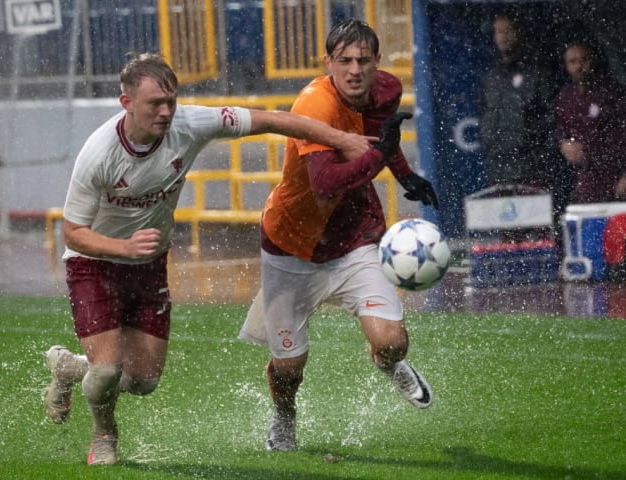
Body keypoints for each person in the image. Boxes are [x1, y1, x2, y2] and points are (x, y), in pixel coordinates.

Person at [43, 52, 378, 466]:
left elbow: (274, 120)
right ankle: (105, 435)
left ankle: (69, 369)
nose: (166, 112)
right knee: (108, 371)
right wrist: (124, 247)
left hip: (148, 265)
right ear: (126, 103)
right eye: (154, 104)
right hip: (93, 263)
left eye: (172, 101)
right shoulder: (99, 154)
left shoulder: (190, 123)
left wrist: (340, 139)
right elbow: (73, 234)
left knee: (143, 382)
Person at [237, 19, 439, 452]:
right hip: (291, 246)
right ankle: (285, 416)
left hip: (354, 240)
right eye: (344, 60)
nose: (354, 70)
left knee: (392, 341)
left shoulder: (386, 90)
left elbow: (378, 139)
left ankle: (389, 364)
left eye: (363, 60)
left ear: (377, 63)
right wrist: (384, 155)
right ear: (328, 63)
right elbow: (327, 182)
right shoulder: (314, 104)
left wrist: (405, 176)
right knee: (290, 367)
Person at [478, 13, 573, 233]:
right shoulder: (491, 78)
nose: (502, 36)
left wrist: (535, 152)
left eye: (507, 30)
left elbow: (552, 119)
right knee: (508, 236)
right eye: (498, 31)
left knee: (539, 235)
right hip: (501, 171)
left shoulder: (537, 73)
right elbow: (486, 117)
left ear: (520, 33)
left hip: (533, 170)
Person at [555, 40, 626, 203]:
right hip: (583, 180)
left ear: (593, 60)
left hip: (614, 176)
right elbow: (560, 129)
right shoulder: (566, 96)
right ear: (566, 66)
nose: (579, 66)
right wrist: (563, 144)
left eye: (584, 60)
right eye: (573, 62)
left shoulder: (613, 93)